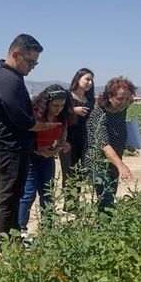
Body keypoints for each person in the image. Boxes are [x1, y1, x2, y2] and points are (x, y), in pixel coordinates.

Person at [0, 34, 60, 253]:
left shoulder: (11, 78)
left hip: (13, 148)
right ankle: (6, 248)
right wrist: (49, 126)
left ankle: (13, 241)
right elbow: (26, 122)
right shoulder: (8, 80)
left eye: (36, 62)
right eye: (31, 62)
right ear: (16, 55)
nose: (33, 67)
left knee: (14, 197)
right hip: (8, 149)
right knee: (9, 199)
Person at [18, 85, 72, 235]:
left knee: (47, 193)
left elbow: (63, 130)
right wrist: (41, 150)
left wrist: (62, 143)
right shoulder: (36, 115)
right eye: (55, 105)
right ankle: (21, 230)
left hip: (48, 157)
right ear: (46, 102)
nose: (58, 109)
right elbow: (27, 134)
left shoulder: (61, 116)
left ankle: (48, 228)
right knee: (28, 194)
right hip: (31, 157)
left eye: (62, 105)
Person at [83, 77, 136, 212]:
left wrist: (128, 143)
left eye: (127, 99)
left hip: (114, 160)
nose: (124, 103)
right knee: (106, 197)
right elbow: (104, 144)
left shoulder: (121, 111)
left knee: (111, 193)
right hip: (97, 162)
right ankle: (104, 227)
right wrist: (121, 165)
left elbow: (117, 131)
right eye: (120, 98)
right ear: (110, 96)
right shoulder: (99, 114)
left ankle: (107, 225)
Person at [59, 68, 95, 207]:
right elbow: (57, 112)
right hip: (67, 137)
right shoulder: (67, 96)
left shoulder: (90, 99)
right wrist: (73, 110)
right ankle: (69, 206)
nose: (90, 82)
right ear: (78, 79)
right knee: (69, 171)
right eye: (87, 79)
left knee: (80, 171)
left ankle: (76, 203)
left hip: (83, 137)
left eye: (91, 80)